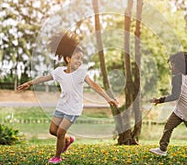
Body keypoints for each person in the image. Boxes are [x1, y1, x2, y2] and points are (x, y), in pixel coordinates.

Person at [18, 31, 119, 164]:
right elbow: (45, 78)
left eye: (81, 59)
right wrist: (29, 83)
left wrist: (108, 98)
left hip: (74, 109)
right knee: (52, 130)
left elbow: (95, 85)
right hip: (62, 105)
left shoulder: (81, 73)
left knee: (60, 132)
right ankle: (68, 139)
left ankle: (57, 157)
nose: (80, 61)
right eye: (77, 58)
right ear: (68, 59)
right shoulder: (59, 72)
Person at [149, 51, 187, 156]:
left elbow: (175, 96)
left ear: (179, 66)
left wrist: (159, 100)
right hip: (181, 109)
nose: (170, 67)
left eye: (172, 64)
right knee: (168, 126)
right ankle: (162, 149)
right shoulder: (186, 77)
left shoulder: (177, 77)